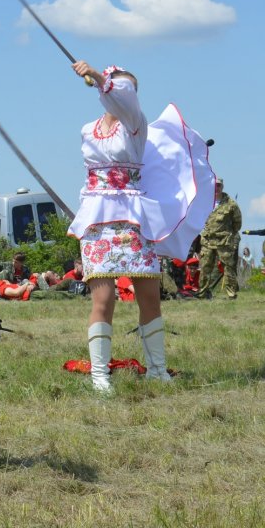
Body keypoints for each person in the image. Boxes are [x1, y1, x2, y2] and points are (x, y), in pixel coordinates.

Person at [66, 61, 213, 393]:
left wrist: (101, 76)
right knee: (102, 299)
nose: (123, 91)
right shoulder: (87, 129)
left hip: (134, 219)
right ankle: (100, 375)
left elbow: (123, 97)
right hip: (97, 220)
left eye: (128, 88)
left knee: (149, 295)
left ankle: (157, 369)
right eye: (119, 84)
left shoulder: (135, 124)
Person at [198, 178, 242, 299]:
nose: (216, 188)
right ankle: (203, 293)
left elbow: (237, 223)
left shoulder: (231, 204)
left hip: (224, 241)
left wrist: (228, 234)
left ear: (222, 187)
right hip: (207, 241)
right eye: (214, 185)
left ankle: (231, 293)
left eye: (218, 186)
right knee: (205, 267)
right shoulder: (205, 202)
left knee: (229, 268)